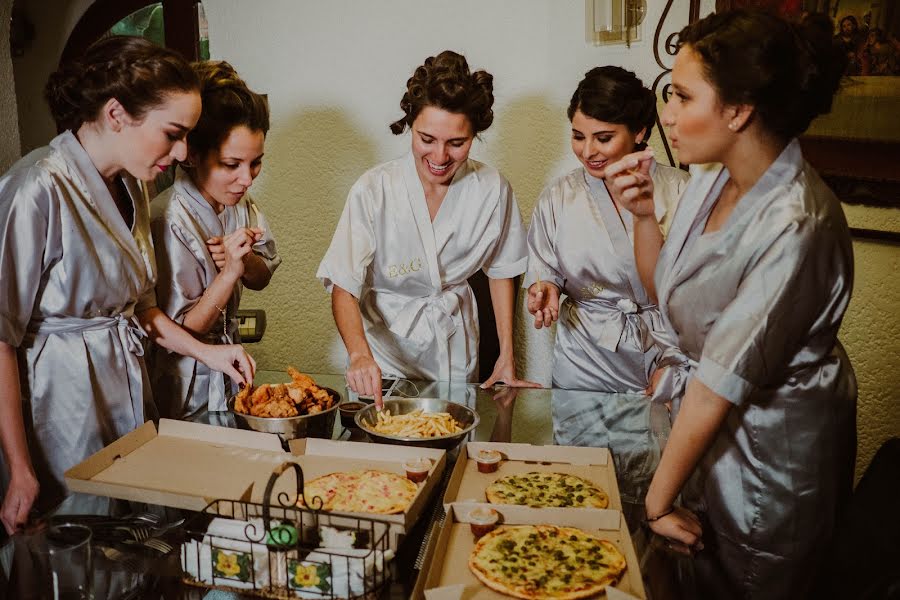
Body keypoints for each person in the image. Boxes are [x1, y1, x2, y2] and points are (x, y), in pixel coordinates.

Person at [607, 10, 856, 599]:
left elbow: (717, 383)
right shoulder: (712, 181)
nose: (664, 113)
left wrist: (655, 500)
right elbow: (665, 292)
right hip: (706, 432)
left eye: (681, 95)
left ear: (738, 110)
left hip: (770, 455)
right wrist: (644, 214)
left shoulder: (798, 223)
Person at [0, 36, 255, 534]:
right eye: (173, 133)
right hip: (60, 403)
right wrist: (19, 468)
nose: (183, 151)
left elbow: (141, 307)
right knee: (70, 548)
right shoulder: (36, 188)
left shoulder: (134, 185)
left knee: (128, 543)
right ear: (116, 113)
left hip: (127, 390)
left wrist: (210, 354)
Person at [317, 50, 536, 406]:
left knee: (452, 446)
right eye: (427, 139)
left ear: (474, 135)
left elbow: (502, 272)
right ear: (410, 126)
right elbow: (343, 284)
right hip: (382, 360)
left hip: (454, 353)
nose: (439, 157)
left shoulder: (492, 189)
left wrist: (506, 356)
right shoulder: (374, 189)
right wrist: (358, 355)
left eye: (456, 143)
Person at [525, 66, 689, 394]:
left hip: (663, 353)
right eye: (578, 136)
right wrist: (546, 291)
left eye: (603, 138)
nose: (588, 151)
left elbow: (698, 297)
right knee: (577, 445)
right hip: (583, 358)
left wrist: (679, 364)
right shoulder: (559, 196)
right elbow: (544, 268)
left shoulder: (681, 191)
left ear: (639, 131)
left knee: (659, 444)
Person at [149, 61, 280, 419]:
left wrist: (246, 261)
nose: (247, 179)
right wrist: (228, 274)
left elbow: (263, 274)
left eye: (255, 163)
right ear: (192, 154)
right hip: (183, 381)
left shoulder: (239, 202)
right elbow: (182, 330)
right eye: (231, 164)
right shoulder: (168, 218)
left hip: (230, 364)